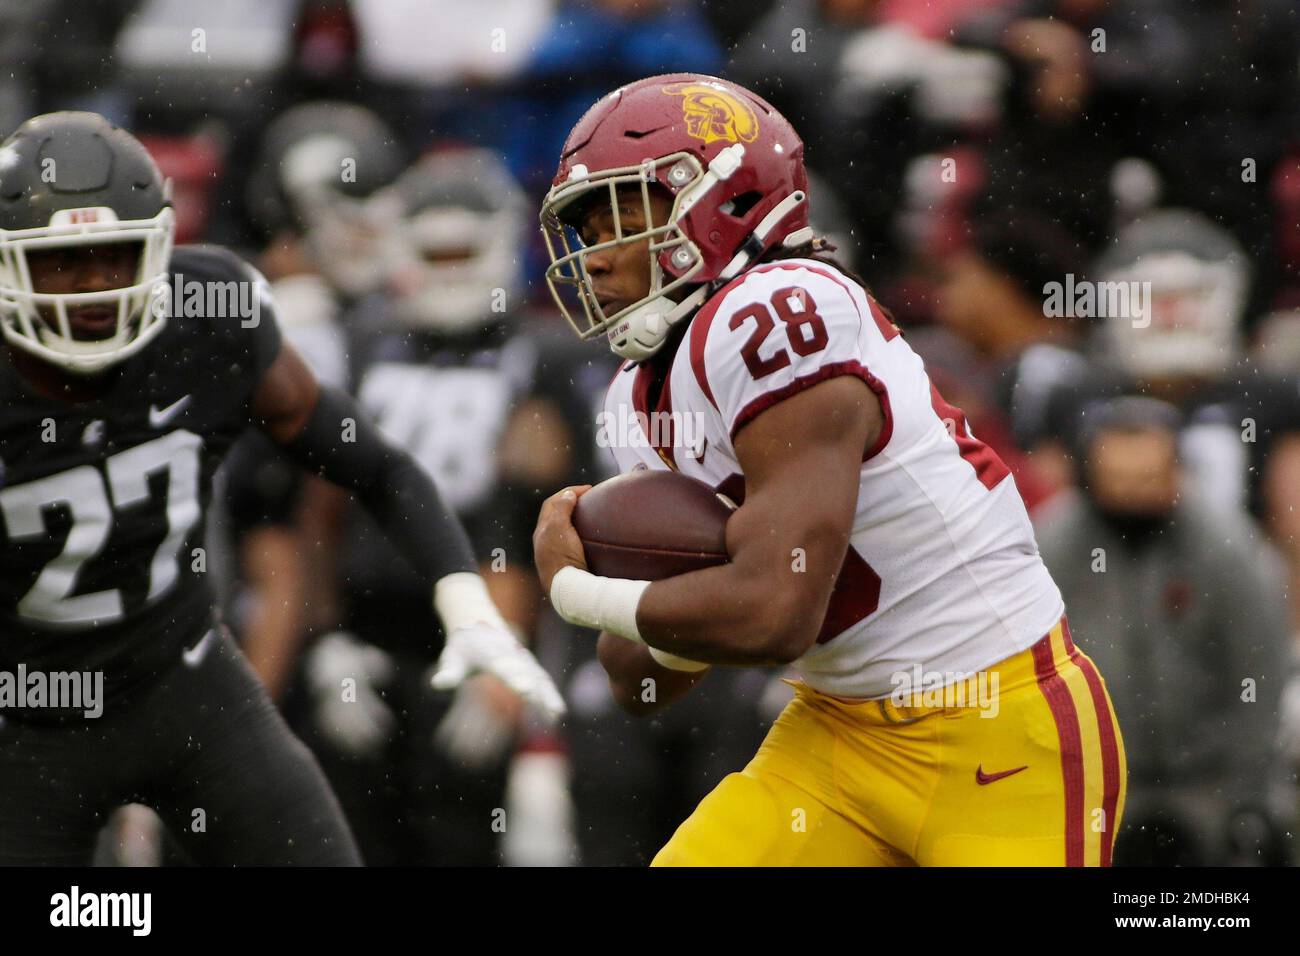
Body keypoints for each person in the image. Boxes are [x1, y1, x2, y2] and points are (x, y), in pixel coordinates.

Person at [532, 73, 1126, 866]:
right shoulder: (636, 395)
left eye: (623, 218)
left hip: (1002, 728)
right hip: (838, 735)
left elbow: (777, 613)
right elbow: (640, 686)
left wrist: (576, 589)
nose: (596, 259)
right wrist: (646, 588)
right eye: (588, 229)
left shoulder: (778, 309)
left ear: (723, 203)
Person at [0, 111, 562, 866]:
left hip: (183, 682)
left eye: (115, 256)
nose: (93, 288)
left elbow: (375, 465)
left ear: (161, 249)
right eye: (63, 262)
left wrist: (464, 602)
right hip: (25, 716)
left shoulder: (205, 315)